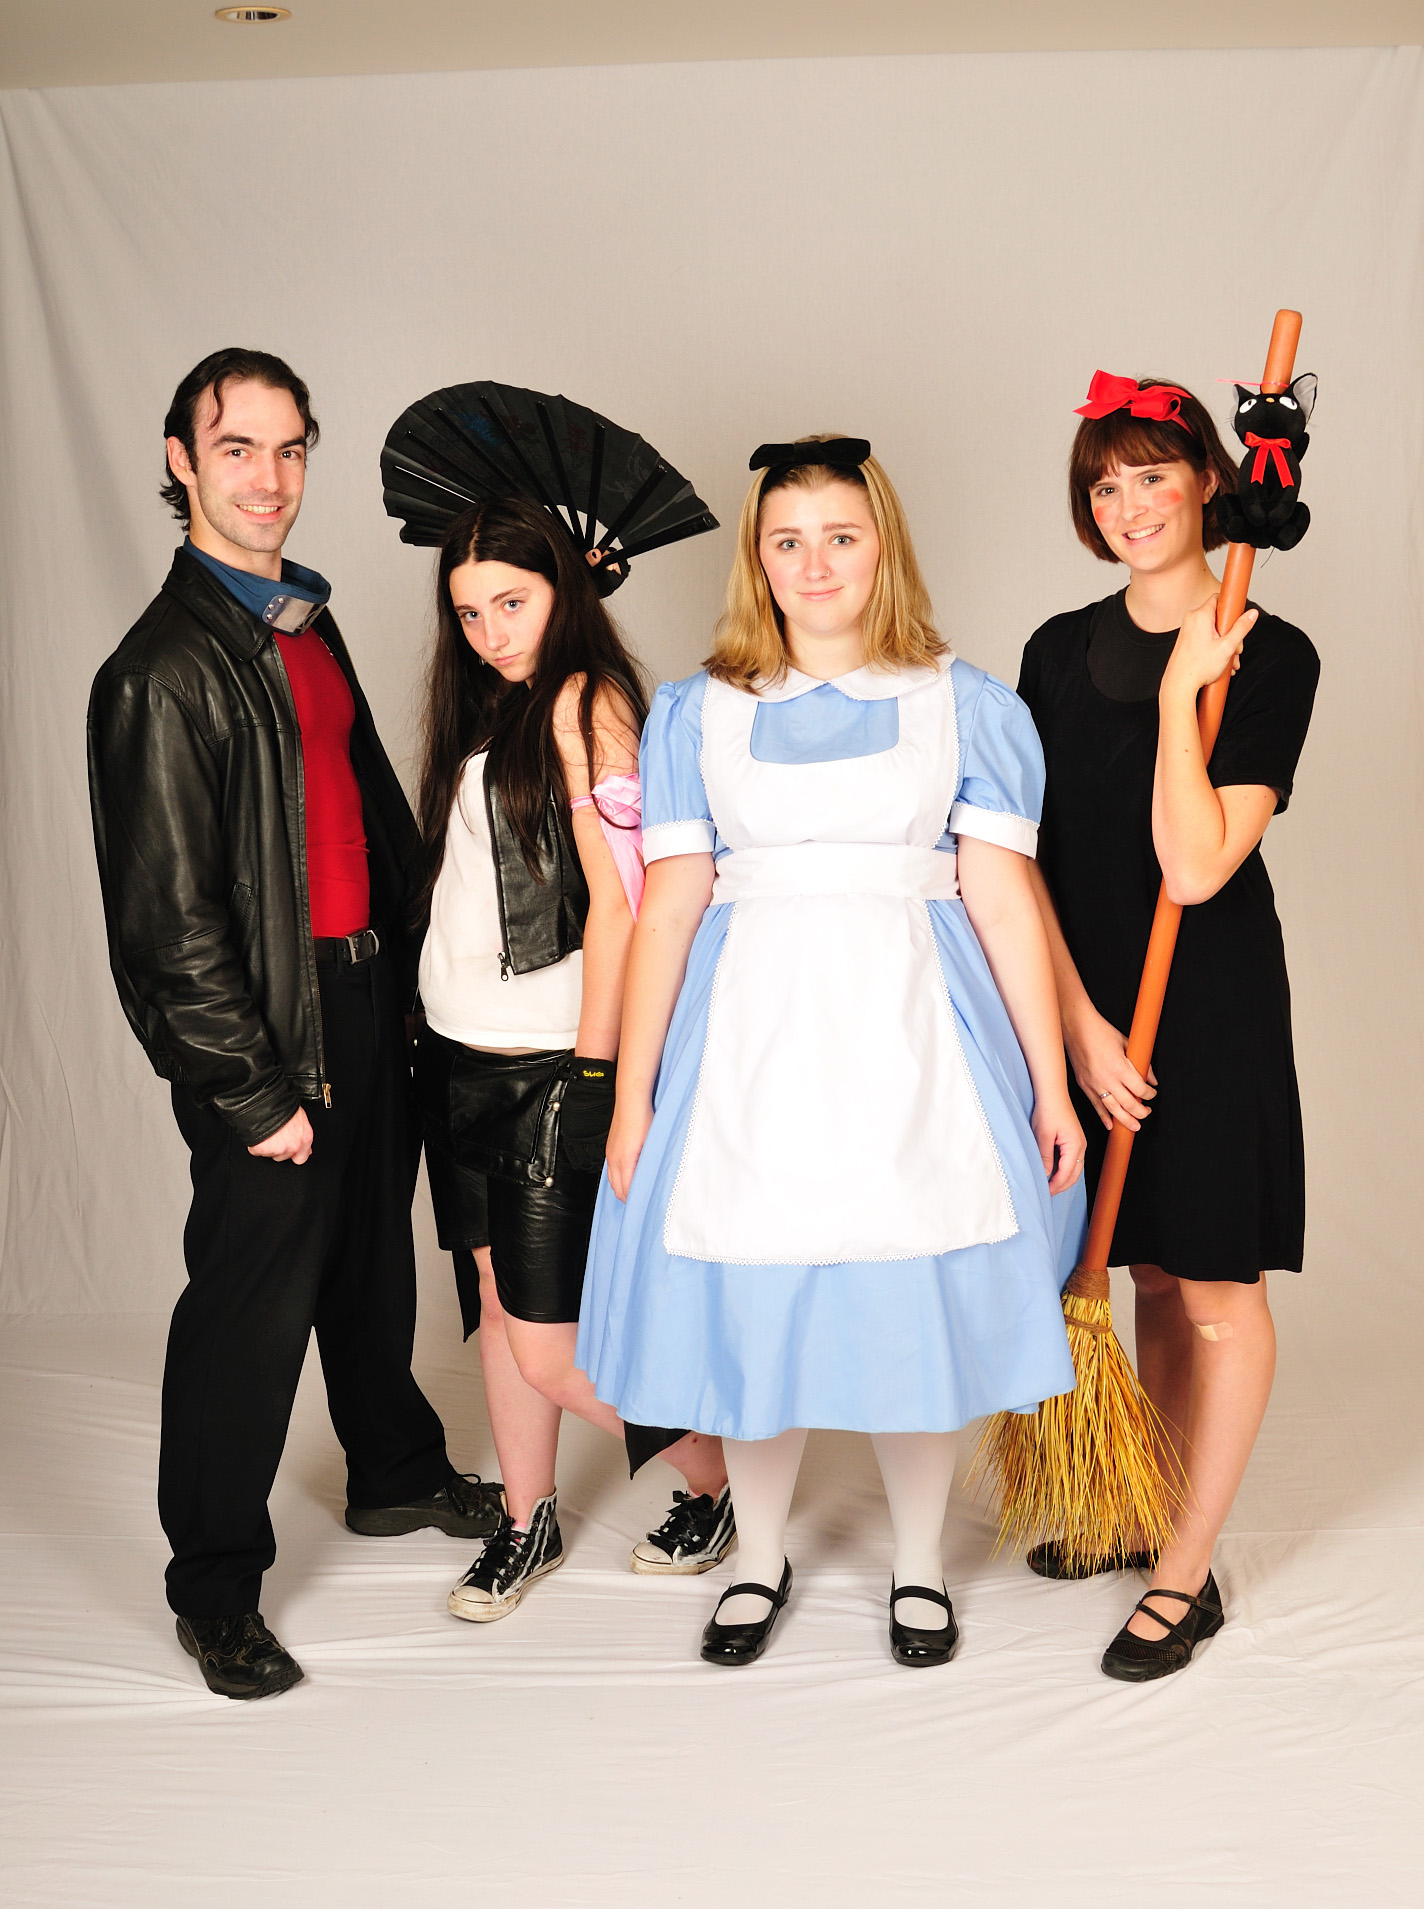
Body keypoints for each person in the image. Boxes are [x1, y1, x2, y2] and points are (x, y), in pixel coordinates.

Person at [577, 436, 1087, 1667]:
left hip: (915, 1033)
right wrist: (632, 1093)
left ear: (882, 547)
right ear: (757, 558)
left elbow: (1003, 900)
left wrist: (1051, 1080)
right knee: (756, 1293)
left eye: (840, 537)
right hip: (750, 1039)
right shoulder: (696, 711)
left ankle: (918, 1563)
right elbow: (668, 907)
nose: (814, 564)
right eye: (787, 540)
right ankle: (757, 1555)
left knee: (913, 1293)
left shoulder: (963, 702)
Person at [87, 348, 498, 1701]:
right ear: (181, 460)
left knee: (373, 1258)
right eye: (237, 448)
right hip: (268, 1021)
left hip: (367, 994)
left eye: (289, 448)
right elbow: (167, 925)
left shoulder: (301, 627)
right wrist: (250, 1089)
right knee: (250, 1310)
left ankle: (393, 1469)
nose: (268, 478)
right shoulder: (161, 668)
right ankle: (213, 1588)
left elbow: (365, 820)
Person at [1020, 372, 1319, 1680]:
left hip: (1210, 1006)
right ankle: (1140, 1499)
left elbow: (1193, 866)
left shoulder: (1271, 652)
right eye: (1105, 482)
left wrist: (1182, 694)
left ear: (1208, 479)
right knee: (1136, 1269)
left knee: (1210, 1286)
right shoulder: (1052, 649)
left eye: (1151, 474)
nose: (1128, 503)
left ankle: (1184, 1571)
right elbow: (1016, 861)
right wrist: (1077, 1025)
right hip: (1085, 1004)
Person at [411, 497, 732, 1624]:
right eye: (470, 613)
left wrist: (600, 1076)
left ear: (564, 590)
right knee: (498, 1313)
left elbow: (624, 903)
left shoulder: (585, 702)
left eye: (513, 602)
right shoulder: (495, 709)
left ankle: (731, 1487)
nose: (490, 632)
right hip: (459, 1057)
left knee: (552, 1346)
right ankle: (525, 1519)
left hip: (553, 1063)